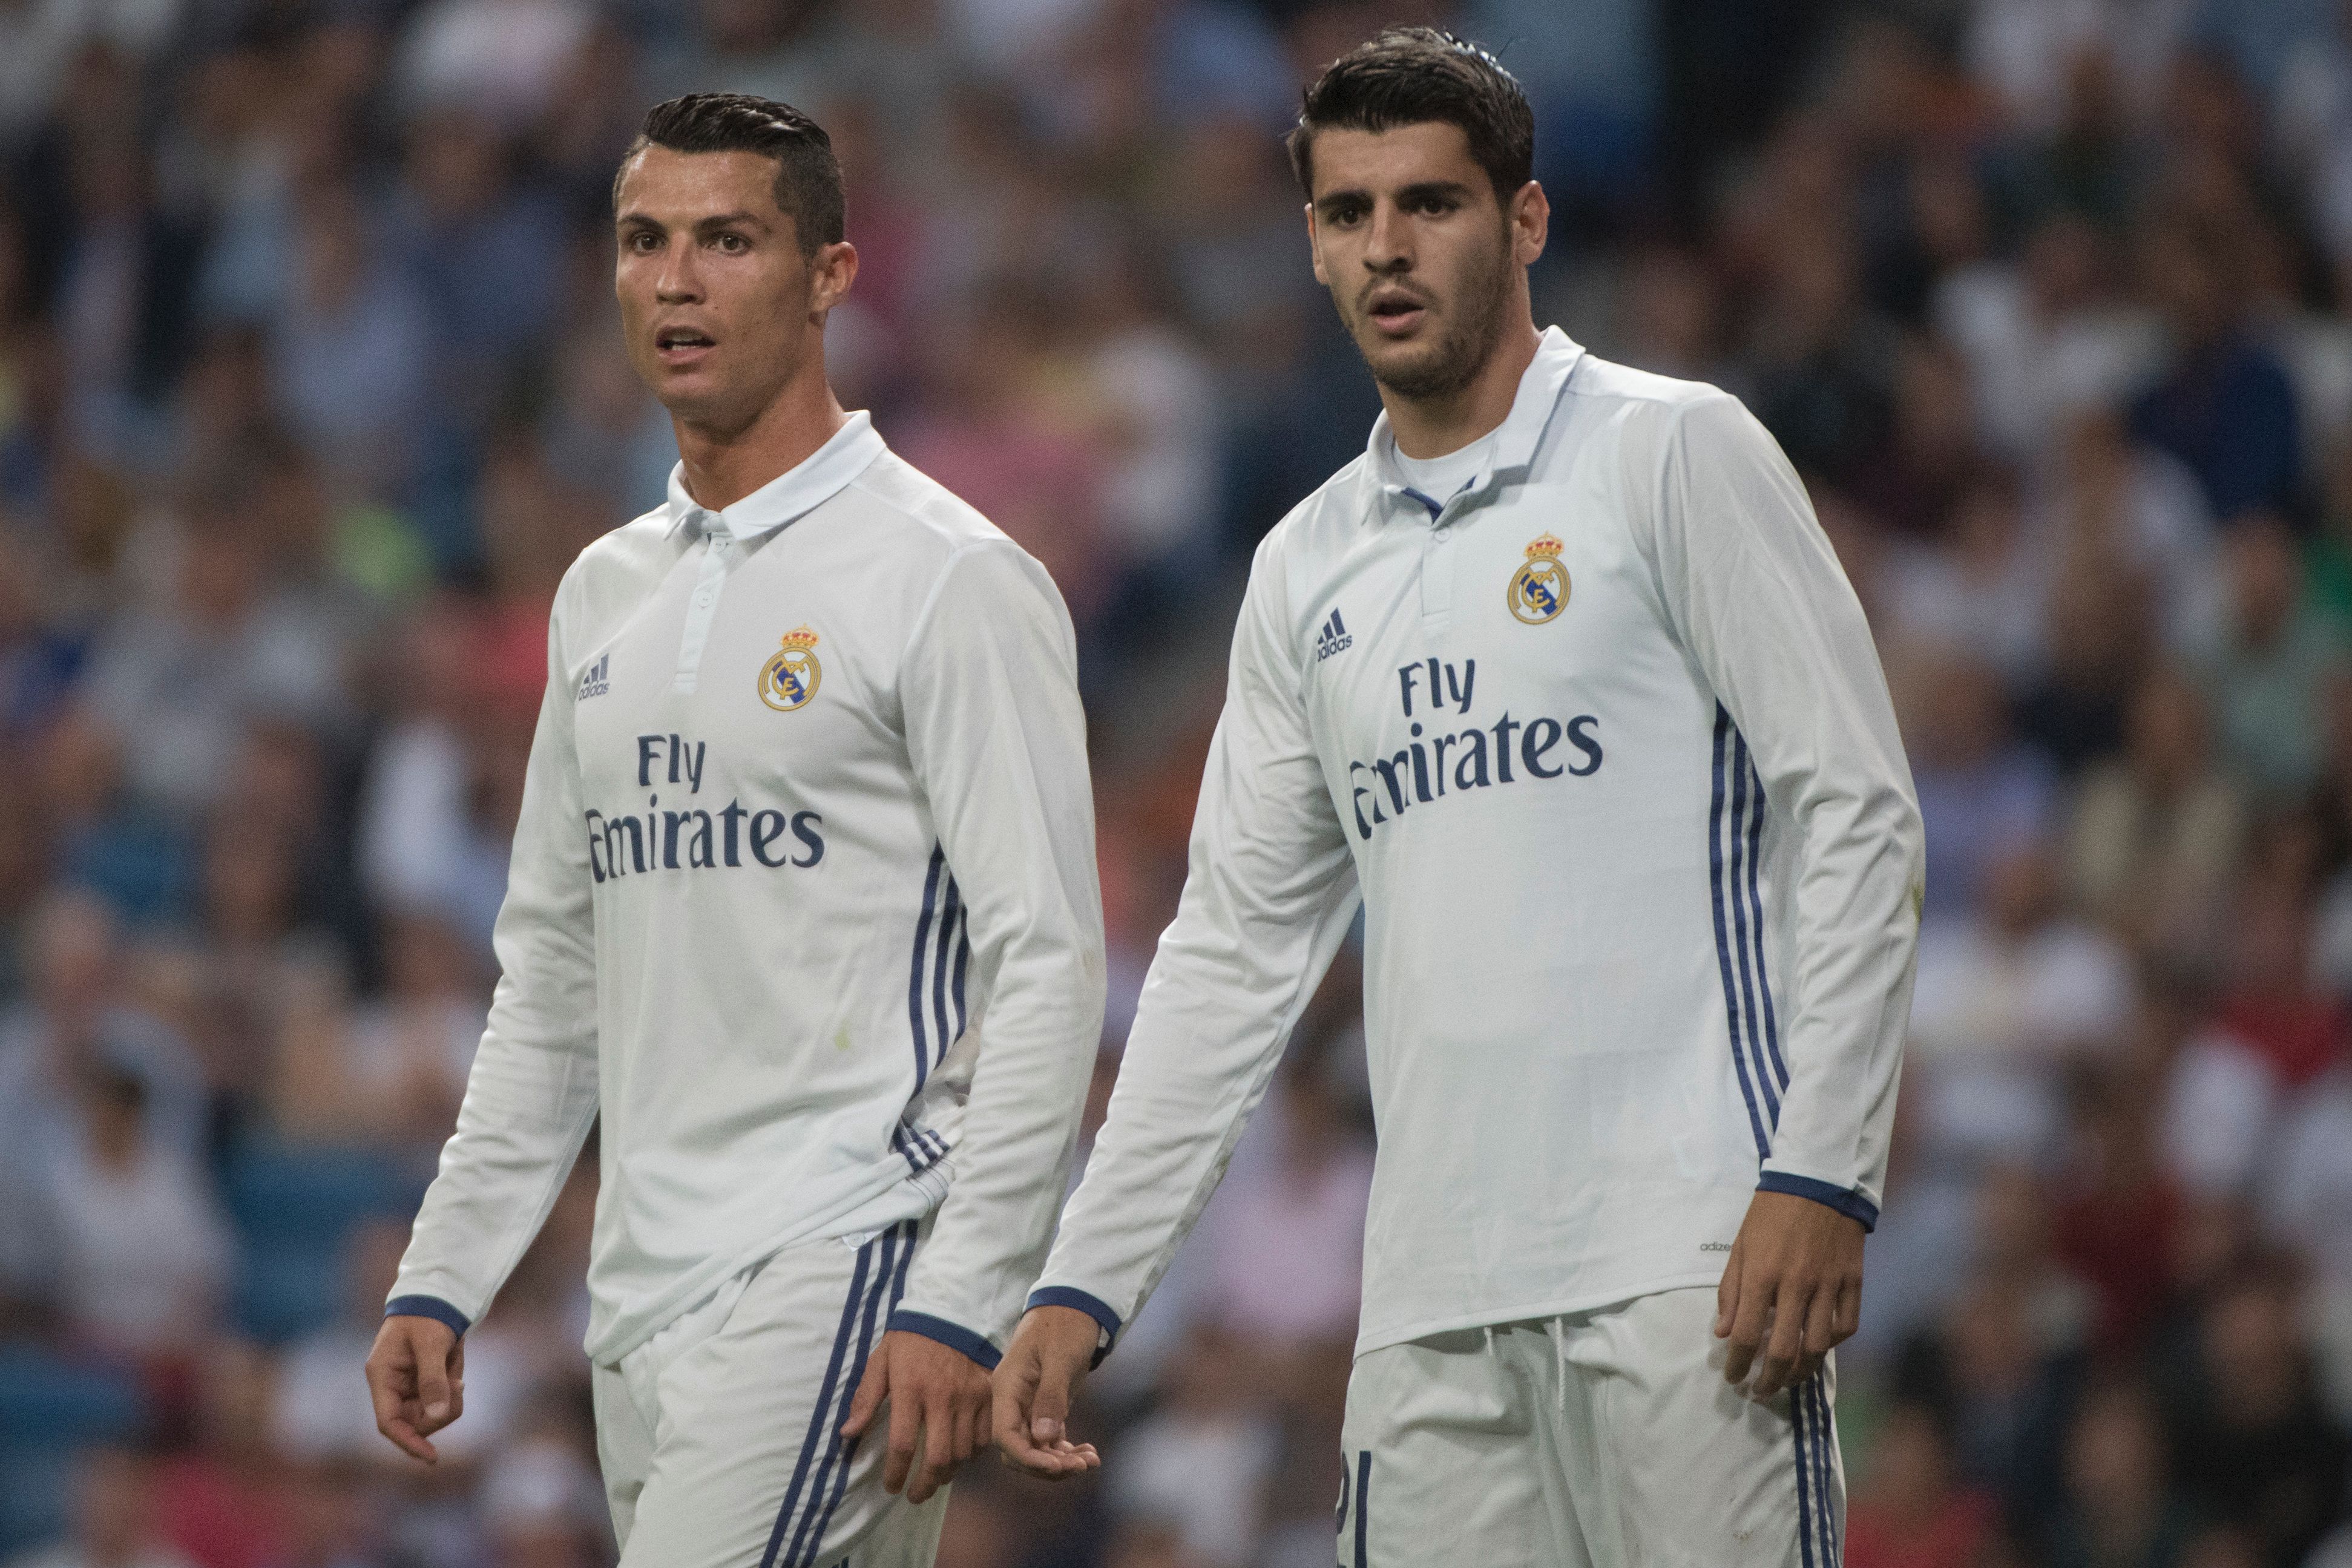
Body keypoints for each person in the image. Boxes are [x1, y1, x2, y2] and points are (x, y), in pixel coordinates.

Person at [994, 28, 1924, 1567]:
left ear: (1526, 220)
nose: (1386, 247)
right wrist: (1085, 1278)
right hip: (1426, 1313)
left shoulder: (1668, 451)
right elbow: (1230, 953)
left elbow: (1855, 811)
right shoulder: (1302, 567)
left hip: (1688, 1265)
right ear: (1308, 243)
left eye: (1428, 202)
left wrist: (1824, 1168)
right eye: (1349, 212)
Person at [363, 93, 1106, 1568]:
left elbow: (1049, 965)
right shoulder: (601, 596)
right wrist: (443, 1274)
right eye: (644, 242)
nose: (676, 281)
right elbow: (556, 978)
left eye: (726, 241)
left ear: (830, 275)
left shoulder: (948, 578)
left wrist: (965, 1293)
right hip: (638, 1300)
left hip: (847, 1253)